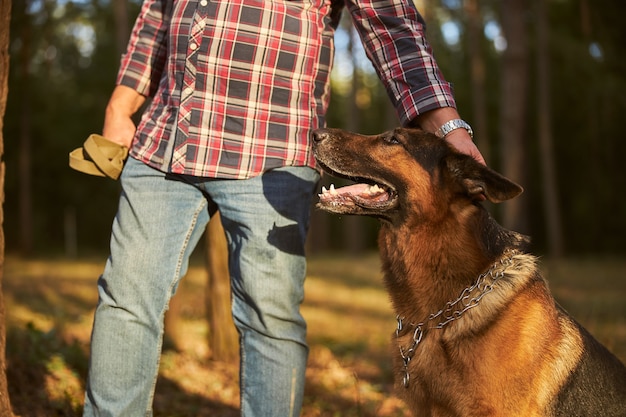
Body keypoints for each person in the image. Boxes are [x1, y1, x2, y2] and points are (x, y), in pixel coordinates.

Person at [82, 0, 485, 415]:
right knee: (124, 300)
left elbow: (392, 25)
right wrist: (120, 105)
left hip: (272, 146)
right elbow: (156, 15)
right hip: (165, 137)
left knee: (269, 321)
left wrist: (445, 125)